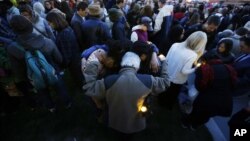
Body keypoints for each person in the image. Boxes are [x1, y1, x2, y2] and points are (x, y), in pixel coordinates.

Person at [83, 51, 170, 140]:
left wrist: (93, 63)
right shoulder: (147, 81)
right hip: (137, 123)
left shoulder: (109, 81)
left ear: (122, 64)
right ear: (137, 66)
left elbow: (89, 87)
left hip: (115, 121)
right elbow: (166, 82)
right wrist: (164, 62)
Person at [7, 15, 71, 112]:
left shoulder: (12, 48)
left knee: (43, 92)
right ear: (30, 26)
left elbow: (17, 70)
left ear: (14, 30)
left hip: (33, 75)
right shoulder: (47, 42)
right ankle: (67, 103)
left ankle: (51, 107)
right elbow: (59, 59)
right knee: (60, 87)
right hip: (53, 70)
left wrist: (27, 79)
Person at [181, 56, 237, 130]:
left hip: (208, 98)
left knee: (196, 111)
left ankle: (186, 123)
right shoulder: (229, 68)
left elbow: (199, 86)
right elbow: (234, 83)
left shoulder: (206, 69)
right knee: (207, 115)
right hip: (224, 101)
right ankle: (194, 126)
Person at [160, 31, 207, 110]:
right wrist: (195, 68)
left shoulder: (175, 44)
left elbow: (167, 58)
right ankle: (167, 106)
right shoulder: (192, 55)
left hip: (167, 73)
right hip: (177, 79)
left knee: (164, 91)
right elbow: (184, 71)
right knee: (172, 94)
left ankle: (160, 101)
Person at [46, 12, 83, 88]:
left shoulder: (63, 34)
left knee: (79, 80)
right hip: (76, 59)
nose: (49, 25)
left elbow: (67, 54)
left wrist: (63, 65)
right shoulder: (65, 28)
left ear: (55, 21)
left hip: (73, 62)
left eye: (50, 23)